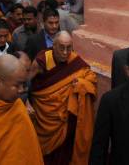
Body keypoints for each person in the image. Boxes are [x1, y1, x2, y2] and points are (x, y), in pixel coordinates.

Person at [30, 31, 97, 165]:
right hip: (44, 117)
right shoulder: (42, 61)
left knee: (65, 154)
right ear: (53, 46)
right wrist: (26, 102)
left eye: (69, 47)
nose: (66, 52)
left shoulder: (75, 61)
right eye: (62, 48)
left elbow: (91, 78)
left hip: (66, 120)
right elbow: (25, 83)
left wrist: (81, 83)